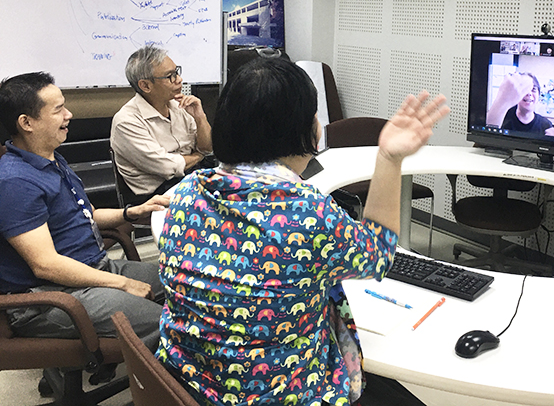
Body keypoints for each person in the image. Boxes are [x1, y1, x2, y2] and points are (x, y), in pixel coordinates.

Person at [156, 58, 449, 406]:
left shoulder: (188, 192)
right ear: (306, 130)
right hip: (276, 395)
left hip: (189, 381)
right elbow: (379, 254)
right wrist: (389, 158)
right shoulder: (308, 214)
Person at [0, 72, 168, 351]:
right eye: (58, 110)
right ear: (26, 123)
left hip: (93, 270)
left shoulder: (50, 157)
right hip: (48, 299)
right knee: (172, 323)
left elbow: (87, 213)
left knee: (186, 283)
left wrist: (132, 212)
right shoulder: (16, 182)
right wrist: (123, 283)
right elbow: (46, 264)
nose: (69, 114)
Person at [111, 45, 213, 200]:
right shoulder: (126, 121)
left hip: (189, 177)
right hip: (157, 194)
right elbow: (168, 167)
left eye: (177, 72)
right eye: (170, 76)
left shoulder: (177, 105)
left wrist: (200, 117)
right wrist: (199, 156)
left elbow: (208, 147)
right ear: (145, 85)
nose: (179, 80)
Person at [486, 71, 554, 136]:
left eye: (533, 89)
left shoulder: (546, 125)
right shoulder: (502, 116)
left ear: (539, 95)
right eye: (525, 89)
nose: (529, 93)